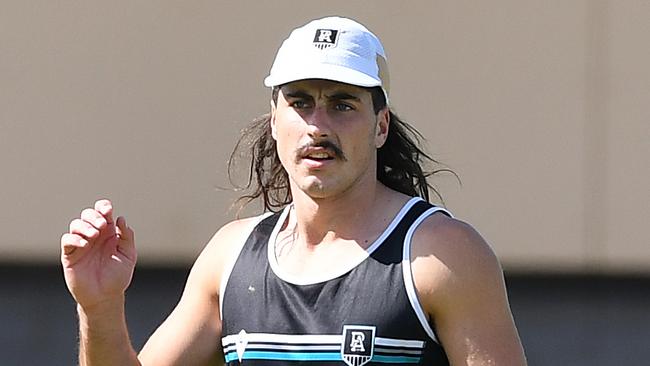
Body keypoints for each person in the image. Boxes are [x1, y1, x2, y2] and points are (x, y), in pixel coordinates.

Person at [61, 16, 527, 366]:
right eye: (300, 103)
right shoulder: (231, 254)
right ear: (274, 120)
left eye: (342, 105)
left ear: (380, 126)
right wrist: (99, 307)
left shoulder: (442, 255)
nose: (318, 126)